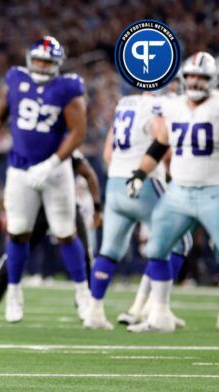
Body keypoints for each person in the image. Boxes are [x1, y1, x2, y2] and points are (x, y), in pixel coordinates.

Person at [0, 36, 90, 323]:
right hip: (19, 168)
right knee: (17, 232)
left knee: (66, 232)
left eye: (48, 61)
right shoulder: (16, 80)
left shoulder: (67, 87)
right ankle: (14, 294)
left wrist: (54, 161)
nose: (42, 66)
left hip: (55, 170)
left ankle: (83, 294)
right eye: (39, 60)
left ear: (57, 63)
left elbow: (78, 132)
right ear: (30, 59)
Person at [126, 52, 219, 333]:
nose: (195, 81)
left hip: (213, 190)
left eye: (201, 77)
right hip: (178, 190)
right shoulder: (174, 106)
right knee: (156, 248)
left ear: (212, 80)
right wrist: (140, 174)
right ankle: (159, 315)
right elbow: (160, 143)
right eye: (191, 75)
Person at [83, 89, 192, 330]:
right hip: (143, 182)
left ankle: (94, 311)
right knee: (179, 242)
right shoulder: (159, 105)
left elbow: (108, 153)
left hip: (114, 183)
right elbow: (163, 140)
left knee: (109, 250)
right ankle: (156, 308)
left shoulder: (125, 102)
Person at [0, 151, 101, 319]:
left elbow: (89, 175)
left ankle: (88, 299)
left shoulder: (64, 145)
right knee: (15, 252)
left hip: (63, 205)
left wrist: (97, 208)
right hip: (36, 208)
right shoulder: (29, 144)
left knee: (83, 253)